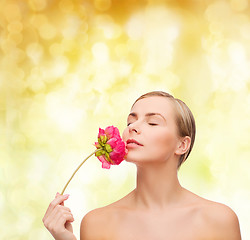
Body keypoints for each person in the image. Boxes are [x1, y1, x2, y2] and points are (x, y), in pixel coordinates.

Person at [43, 91, 241, 240]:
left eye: (153, 123)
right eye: (131, 121)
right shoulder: (96, 223)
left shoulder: (219, 220)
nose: (133, 127)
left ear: (182, 145)